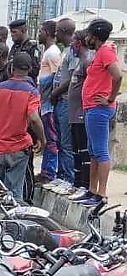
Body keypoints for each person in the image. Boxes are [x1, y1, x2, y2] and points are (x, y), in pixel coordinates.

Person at [0, 53, 45, 201]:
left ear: (11, 68)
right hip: (18, 148)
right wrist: (42, 139)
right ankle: (13, 222)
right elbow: (33, 117)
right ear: (30, 69)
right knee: (14, 193)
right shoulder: (32, 92)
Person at [78, 18, 122, 206]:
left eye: (88, 34)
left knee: (101, 151)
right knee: (93, 151)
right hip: (91, 108)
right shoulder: (100, 52)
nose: (86, 38)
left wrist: (110, 98)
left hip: (99, 109)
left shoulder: (105, 51)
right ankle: (92, 190)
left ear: (94, 36)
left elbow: (118, 75)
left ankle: (101, 194)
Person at [48, 18, 78, 190]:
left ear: (65, 30)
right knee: (59, 141)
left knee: (66, 143)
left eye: (58, 30)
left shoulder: (73, 51)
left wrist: (56, 92)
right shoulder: (65, 50)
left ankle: (68, 178)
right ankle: (60, 175)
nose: (55, 33)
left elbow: (72, 78)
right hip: (59, 101)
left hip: (66, 101)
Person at [66, 30, 91, 200]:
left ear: (79, 42)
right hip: (74, 115)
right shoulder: (79, 62)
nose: (70, 45)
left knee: (83, 152)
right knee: (75, 150)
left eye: (73, 42)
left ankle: (85, 184)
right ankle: (76, 183)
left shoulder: (88, 62)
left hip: (82, 115)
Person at [37, 20, 63, 184]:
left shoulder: (52, 53)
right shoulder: (47, 52)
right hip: (44, 101)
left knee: (51, 138)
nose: (38, 34)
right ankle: (46, 170)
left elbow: (56, 77)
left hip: (49, 103)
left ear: (47, 32)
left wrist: (51, 95)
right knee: (47, 137)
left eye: (40, 31)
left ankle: (50, 171)